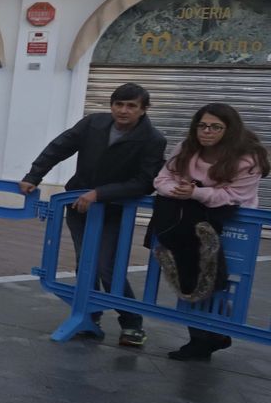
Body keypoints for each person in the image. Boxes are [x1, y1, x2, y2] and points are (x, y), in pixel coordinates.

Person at [20, 83, 167, 347]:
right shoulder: (93, 124)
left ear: (144, 110)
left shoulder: (153, 140)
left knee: (105, 267)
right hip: (79, 205)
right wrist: (34, 175)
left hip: (114, 210)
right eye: (118, 104)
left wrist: (99, 193)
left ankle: (132, 324)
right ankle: (89, 316)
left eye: (131, 106)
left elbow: (145, 182)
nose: (123, 111)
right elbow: (59, 147)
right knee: (84, 263)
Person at [151, 103, 269, 362]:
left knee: (219, 281)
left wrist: (195, 193)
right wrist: (178, 192)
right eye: (202, 125)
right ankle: (203, 338)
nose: (207, 131)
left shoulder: (249, 157)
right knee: (191, 274)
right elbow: (162, 178)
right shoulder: (187, 147)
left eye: (216, 127)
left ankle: (215, 334)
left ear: (230, 130)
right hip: (189, 223)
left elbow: (237, 195)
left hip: (232, 224)